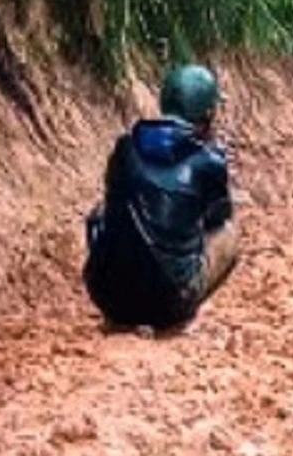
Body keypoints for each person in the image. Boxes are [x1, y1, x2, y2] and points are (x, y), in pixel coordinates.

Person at [83, 64, 238, 332]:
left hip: (107, 297)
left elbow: (108, 208)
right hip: (169, 303)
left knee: (101, 213)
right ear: (209, 112)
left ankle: (118, 313)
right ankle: (180, 319)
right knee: (228, 235)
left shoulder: (125, 148)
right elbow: (217, 218)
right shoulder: (209, 160)